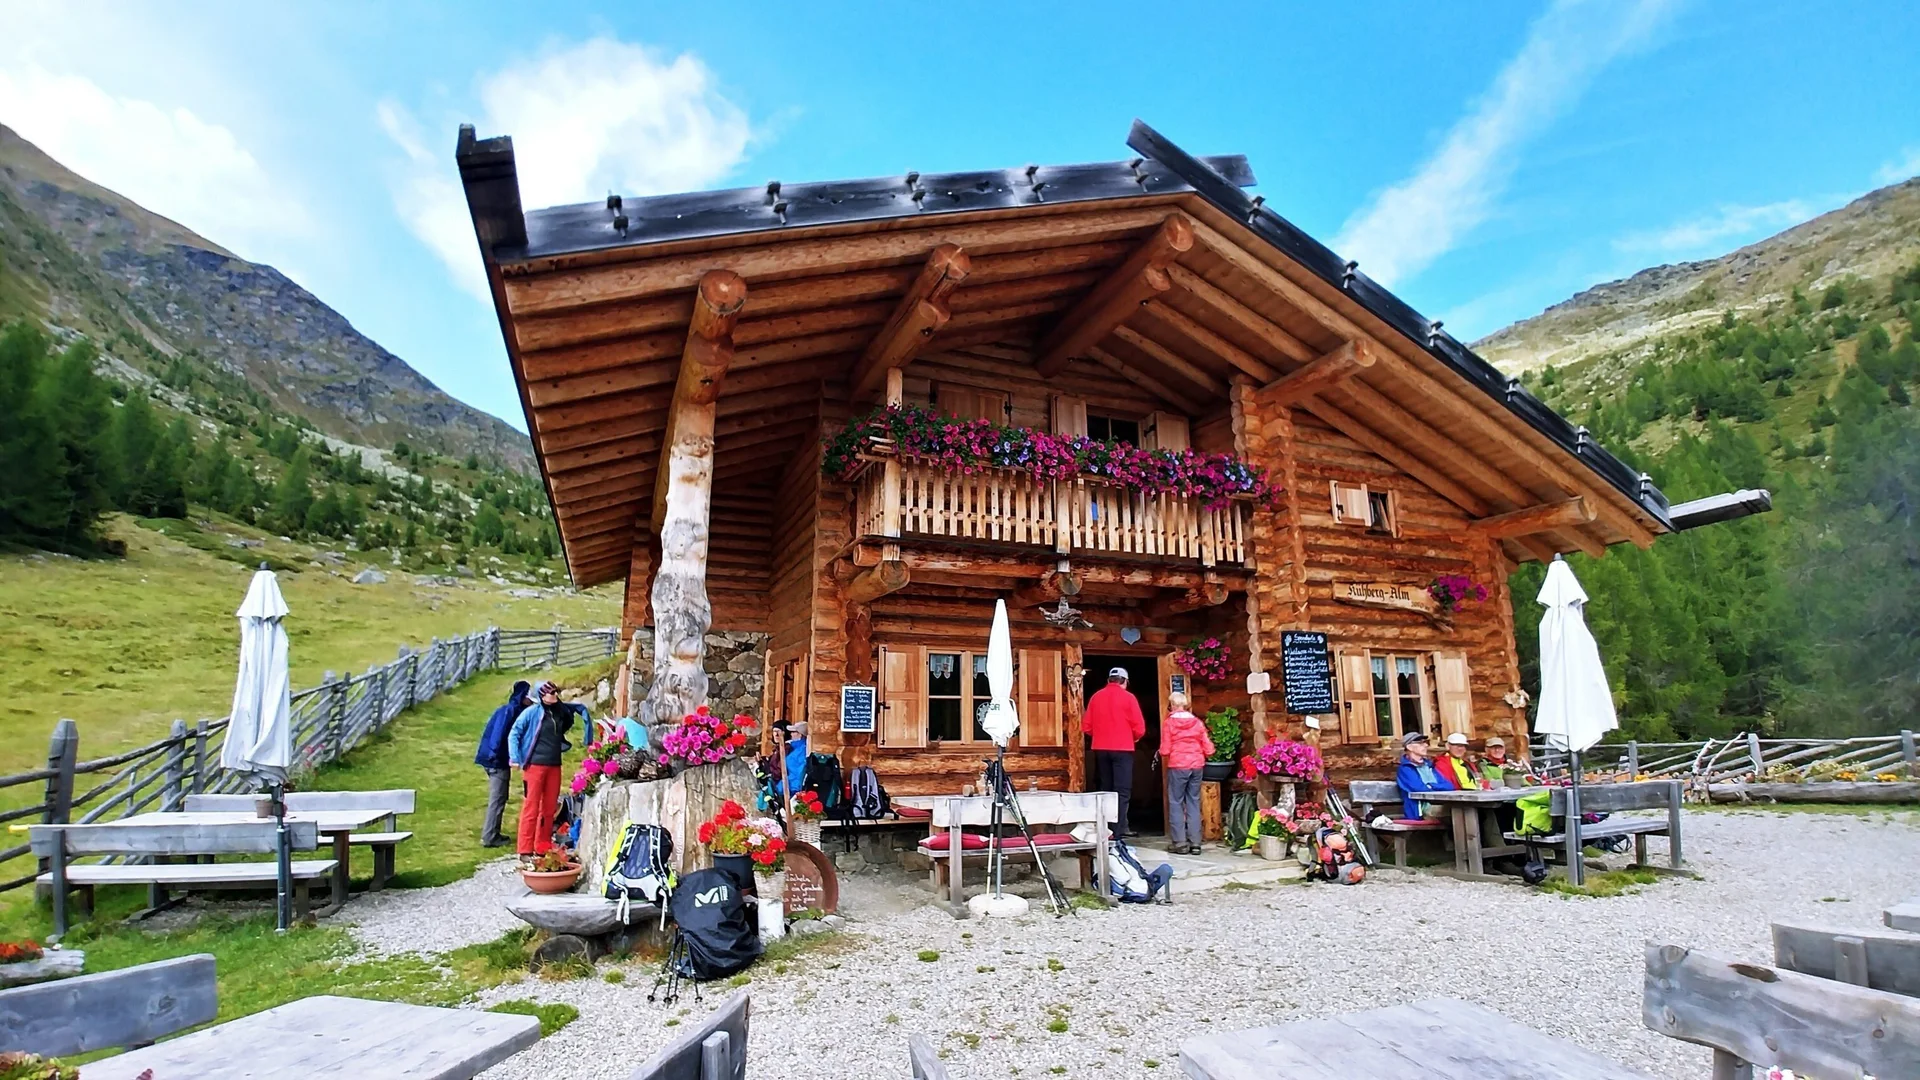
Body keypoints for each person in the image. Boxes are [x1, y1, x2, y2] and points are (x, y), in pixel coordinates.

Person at [509, 681, 589, 858]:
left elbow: (568, 720)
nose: (554, 696)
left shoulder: (559, 711)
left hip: (554, 764)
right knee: (531, 806)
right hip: (535, 765)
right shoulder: (531, 713)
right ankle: (525, 848)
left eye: (556, 693)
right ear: (541, 695)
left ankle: (542, 845)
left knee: (549, 807)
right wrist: (514, 757)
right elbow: (514, 733)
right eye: (550, 693)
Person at [1083, 667, 1146, 836]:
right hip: (1123, 748)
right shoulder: (1129, 698)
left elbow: (1086, 726)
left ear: (1109, 680)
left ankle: (1106, 831)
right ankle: (1117, 834)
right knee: (1122, 791)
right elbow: (1140, 728)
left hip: (1101, 749)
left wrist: (1100, 734)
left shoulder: (1096, 697)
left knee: (1105, 789)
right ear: (1124, 681)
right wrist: (1132, 737)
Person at [474, 680, 531, 848]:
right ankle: (490, 836)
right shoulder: (510, 711)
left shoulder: (510, 709)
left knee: (499, 797)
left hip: (494, 759)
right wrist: (495, 756)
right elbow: (498, 735)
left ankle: (492, 833)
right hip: (496, 761)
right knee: (498, 798)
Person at [1157, 691, 1213, 855]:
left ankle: (1180, 843)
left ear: (1172, 705)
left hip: (1178, 766)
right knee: (1193, 802)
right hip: (1196, 766)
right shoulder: (1197, 722)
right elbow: (1209, 748)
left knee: (1176, 802)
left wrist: (1161, 752)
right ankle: (1195, 843)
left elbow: (1165, 749)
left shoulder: (1169, 723)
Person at [1394, 731, 1455, 819]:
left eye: (1425, 743)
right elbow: (1419, 789)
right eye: (1421, 743)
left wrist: (1430, 785)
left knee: (1465, 810)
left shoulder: (1429, 766)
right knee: (1457, 811)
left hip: (1438, 805)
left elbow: (1449, 786)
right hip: (1421, 811)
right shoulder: (1406, 769)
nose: (1426, 745)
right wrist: (1437, 787)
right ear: (1409, 747)